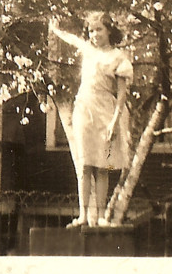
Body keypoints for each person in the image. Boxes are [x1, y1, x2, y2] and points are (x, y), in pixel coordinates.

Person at [49, 12, 133, 228]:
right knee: (85, 164)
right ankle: (84, 215)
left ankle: (101, 216)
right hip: (84, 109)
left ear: (109, 31)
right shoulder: (88, 50)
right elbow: (75, 40)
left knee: (102, 166)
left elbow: (122, 95)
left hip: (105, 111)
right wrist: (57, 31)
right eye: (92, 30)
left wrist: (115, 122)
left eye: (99, 30)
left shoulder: (118, 57)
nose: (95, 35)